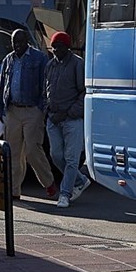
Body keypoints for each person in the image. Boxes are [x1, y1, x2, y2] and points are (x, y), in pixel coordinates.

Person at [0, 29, 58, 201]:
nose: (17, 46)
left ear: (27, 41)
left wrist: (41, 108)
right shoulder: (8, 59)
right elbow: (2, 85)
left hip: (32, 110)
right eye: (14, 43)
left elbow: (46, 85)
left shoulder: (39, 58)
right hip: (12, 110)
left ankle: (48, 182)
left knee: (32, 150)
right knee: (13, 153)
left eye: (20, 42)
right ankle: (14, 190)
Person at [45, 31, 90, 209]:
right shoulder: (50, 65)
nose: (55, 50)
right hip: (53, 119)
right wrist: (47, 110)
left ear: (67, 47)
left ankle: (65, 194)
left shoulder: (78, 64)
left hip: (72, 119)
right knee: (56, 155)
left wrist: (71, 112)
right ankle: (80, 180)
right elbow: (45, 89)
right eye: (53, 47)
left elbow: (84, 92)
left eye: (58, 47)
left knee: (71, 159)